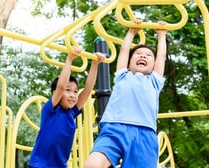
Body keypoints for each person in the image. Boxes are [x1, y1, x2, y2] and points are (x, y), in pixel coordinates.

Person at [84, 19, 168, 168]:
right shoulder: (123, 75)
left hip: (144, 134)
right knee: (92, 165)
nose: (143, 56)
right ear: (129, 63)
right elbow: (124, 51)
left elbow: (161, 55)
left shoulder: (154, 81)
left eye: (148, 55)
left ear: (154, 65)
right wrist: (131, 32)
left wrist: (162, 35)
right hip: (114, 127)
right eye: (138, 54)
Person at [28, 46, 106, 168]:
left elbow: (88, 89)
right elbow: (61, 86)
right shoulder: (50, 110)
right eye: (68, 90)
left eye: (75, 92)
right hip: (40, 165)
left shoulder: (71, 113)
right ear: (55, 94)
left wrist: (95, 64)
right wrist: (69, 59)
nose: (72, 95)